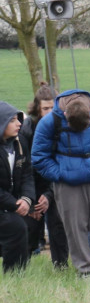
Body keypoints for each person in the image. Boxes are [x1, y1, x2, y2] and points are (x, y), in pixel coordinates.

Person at [31, 89, 90, 281]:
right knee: (74, 227)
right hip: (67, 184)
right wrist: (60, 174)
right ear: (65, 115)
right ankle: (85, 272)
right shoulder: (49, 123)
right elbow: (39, 157)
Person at [19, 85, 61, 264]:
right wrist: (31, 200)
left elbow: (62, 164)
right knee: (28, 233)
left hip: (56, 184)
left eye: (53, 108)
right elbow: (24, 167)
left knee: (59, 229)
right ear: (37, 108)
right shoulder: (26, 130)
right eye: (45, 108)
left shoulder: (63, 128)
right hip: (30, 185)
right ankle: (21, 271)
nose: (49, 112)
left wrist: (49, 194)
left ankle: (61, 268)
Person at [0, 101, 33, 272]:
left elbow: (27, 173)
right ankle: (14, 274)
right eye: (12, 120)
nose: (19, 123)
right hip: (6, 204)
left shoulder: (20, 143)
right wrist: (14, 204)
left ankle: (16, 275)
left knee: (19, 227)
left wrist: (26, 199)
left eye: (18, 119)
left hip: (13, 203)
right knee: (15, 227)